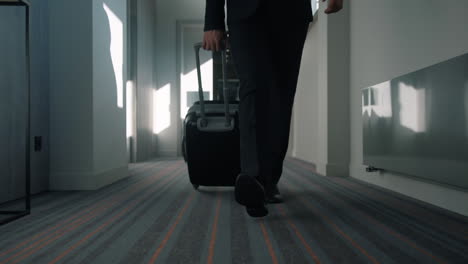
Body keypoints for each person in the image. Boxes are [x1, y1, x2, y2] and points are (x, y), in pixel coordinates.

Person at [203, 0, 344, 217]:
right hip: (244, 12)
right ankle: (254, 178)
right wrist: (213, 20)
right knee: (252, 87)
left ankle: (267, 180)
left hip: (290, 12)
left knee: (281, 93)